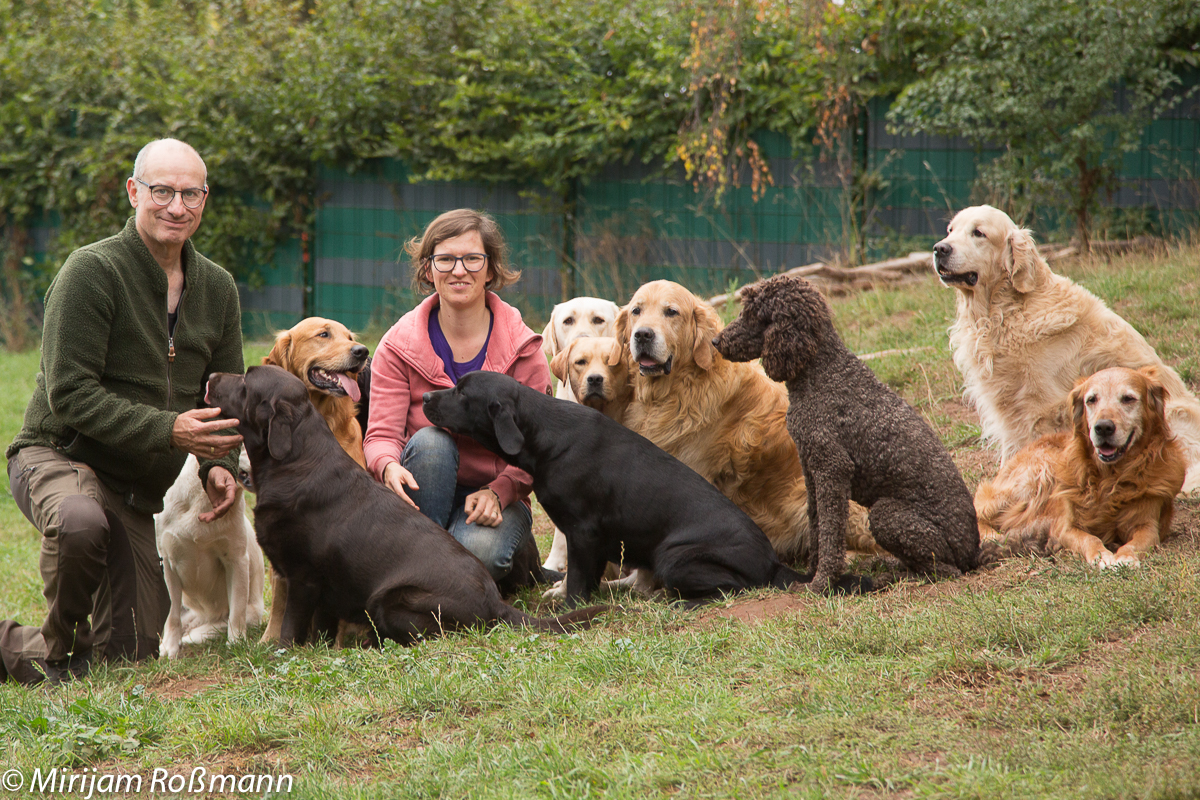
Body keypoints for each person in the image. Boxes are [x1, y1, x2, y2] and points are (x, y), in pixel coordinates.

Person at [1, 138, 245, 686]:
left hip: (135, 492)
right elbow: (70, 394)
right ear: (134, 192)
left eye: (190, 194)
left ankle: (33, 652)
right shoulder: (91, 271)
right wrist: (169, 429)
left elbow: (224, 396)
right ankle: (60, 655)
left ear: (204, 199)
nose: (176, 206)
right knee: (80, 521)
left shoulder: (218, 289)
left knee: (127, 655)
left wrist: (219, 464)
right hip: (58, 455)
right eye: (162, 191)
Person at [364, 209, 552, 587]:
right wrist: (387, 466)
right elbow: (381, 435)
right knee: (432, 441)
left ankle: (428, 567)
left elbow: (539, 448)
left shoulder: (524, 349)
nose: (459, 270)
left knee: (480, 554)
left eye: (472, 259)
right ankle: (429, 563)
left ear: (490, 269)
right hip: (423, 487)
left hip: (493, 495)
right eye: (445, 259)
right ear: (428, 269)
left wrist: (500, 492)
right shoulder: (397, 346)